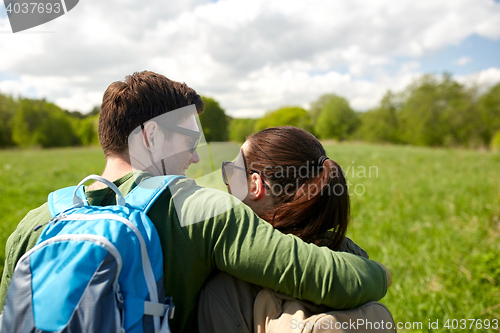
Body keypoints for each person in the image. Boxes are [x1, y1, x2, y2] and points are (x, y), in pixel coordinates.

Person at [0, 71, 389, 333]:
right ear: (150, 136)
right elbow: (330, 279)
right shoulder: (203, 212)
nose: (196, 159)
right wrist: (382, 275)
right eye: (188, 141)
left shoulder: (33, 224)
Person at [197, 126, 393, 333]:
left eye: (232, 170)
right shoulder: (349, 256)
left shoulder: (225, 287)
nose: (226, 183)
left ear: (255, 185)